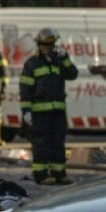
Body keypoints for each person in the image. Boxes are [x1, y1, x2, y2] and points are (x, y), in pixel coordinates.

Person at [19, 28, 78, 185]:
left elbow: (73, 74)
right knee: (41, 144)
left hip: (58, 111)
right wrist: (26, 111)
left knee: (58, 143)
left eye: (51, 45)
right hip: (39, 113)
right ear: (39, 45)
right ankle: (41, 175)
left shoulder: (59, 61)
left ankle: (60, 174)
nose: (49, 48)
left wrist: (65, 57)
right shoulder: (32, 64)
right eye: (45, 45)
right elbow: (25, 89)